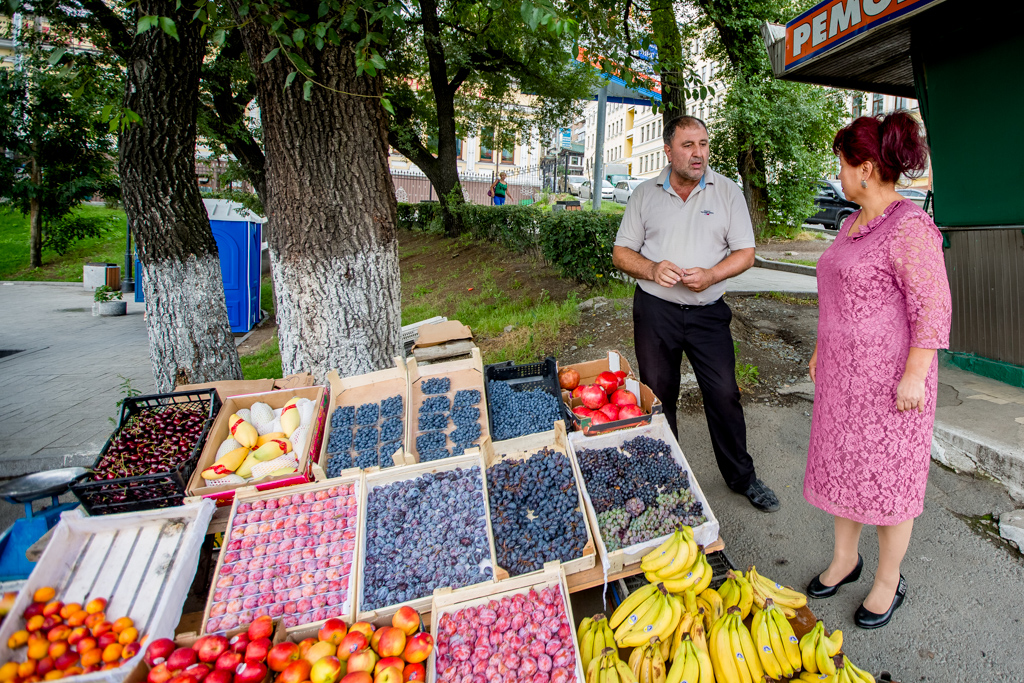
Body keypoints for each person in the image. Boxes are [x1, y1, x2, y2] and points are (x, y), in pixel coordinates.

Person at [803, 111, 951, 630]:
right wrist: (824, 349)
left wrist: (915, 373)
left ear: (864, 168)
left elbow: (932, 306)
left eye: (841, 165)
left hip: (892, 385)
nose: (838, 174)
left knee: (889, 482)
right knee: (845, 467)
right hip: (845, 378)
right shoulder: (852, 223)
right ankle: (846, 560)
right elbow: (836, 293)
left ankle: (888, 581)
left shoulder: (909, 227)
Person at [612, 115, 780, 513]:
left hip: (708, 313)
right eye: (688, 145)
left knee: (724, 394)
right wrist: (652, 269)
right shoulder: (645, 194)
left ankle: (743, 477)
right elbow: (622, 253)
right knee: (659, 394)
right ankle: (666, 476)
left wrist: (712, 274)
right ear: (668, 151)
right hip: (655, 311)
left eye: (703, 144)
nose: (698, 153)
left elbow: (745, 253)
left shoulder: (727, 192)